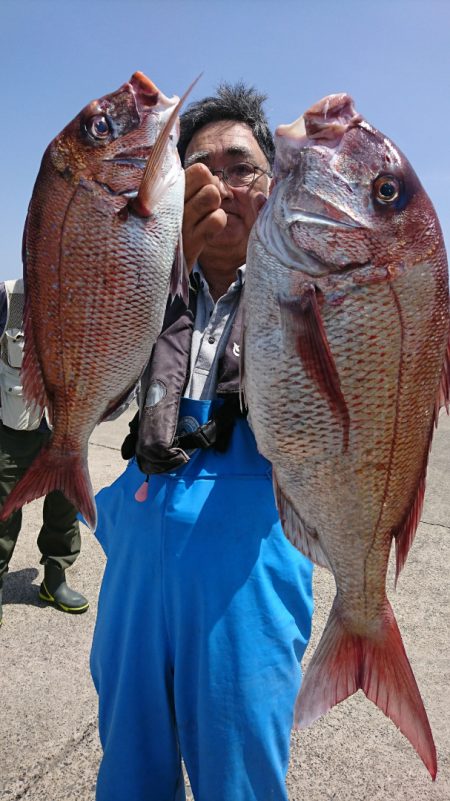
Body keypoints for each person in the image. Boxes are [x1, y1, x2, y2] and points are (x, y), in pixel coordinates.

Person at [90, 83, 314, 801]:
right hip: (133, 568)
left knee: (239, 779)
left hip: (246, 575)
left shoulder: (309, 286)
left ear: (274, 184)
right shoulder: (140, 276)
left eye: (242, 164)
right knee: (127, 771)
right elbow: (100, 388)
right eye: (198, 164)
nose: (219, 180)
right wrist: (159, 254)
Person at [0, 279, 89, 625]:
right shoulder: (11, 296)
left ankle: (54, 578)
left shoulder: (88, 301)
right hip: (12, 427)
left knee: (66, 506)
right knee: (3, 508)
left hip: (66, 425)